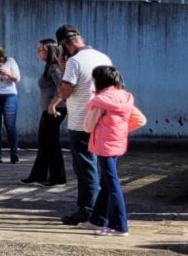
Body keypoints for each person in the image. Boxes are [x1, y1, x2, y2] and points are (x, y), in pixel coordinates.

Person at [48, 25, 113, 226]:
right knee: (103, 167)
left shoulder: (74, 62)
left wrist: (61, 68)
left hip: (81, 123)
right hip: (102, 119)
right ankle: (103, 210)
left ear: (64, 46)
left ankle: (87, 211)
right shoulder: (103, 57)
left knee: (85, 168)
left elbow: (65, 91)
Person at [77, 66, 146, 237]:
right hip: (117, 144)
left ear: (98, 80)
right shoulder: (125, 96)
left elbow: (87, 126)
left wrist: (105, 130)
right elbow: (140, 120)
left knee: (112, 185)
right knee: (107, 184)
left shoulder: (100, 100)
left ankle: (119, 226)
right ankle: (97, 220)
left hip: (103, 145)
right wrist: (119, 130)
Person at [22, 39, 68, 186]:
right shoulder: (49, 67)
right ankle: (39, 176)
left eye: (41, 49)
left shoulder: (54, 68)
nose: (38, 52)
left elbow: (62, 88)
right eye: (38, 49)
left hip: (55, 110)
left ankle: (57, 178)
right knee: (45, 143)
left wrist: (53, 105)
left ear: (49, 51)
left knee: (51, 143)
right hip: (49, 109)